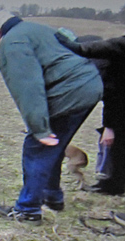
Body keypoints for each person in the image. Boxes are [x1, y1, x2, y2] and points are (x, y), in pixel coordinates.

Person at [0, 11, 104, 225]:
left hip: (70, 92)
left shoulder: (13, 43)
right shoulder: (37, 29)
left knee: (36, 149)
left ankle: (27, 210)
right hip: (88, 86)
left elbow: (28, 87)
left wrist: (39, 128)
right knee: (53, 148)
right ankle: (52, 197)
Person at [55, 32, 125, 195]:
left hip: (119, 106)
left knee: (117, 144)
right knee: (116, 145)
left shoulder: (104, 64)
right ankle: (113, 184)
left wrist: (110, 127)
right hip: (119, 106)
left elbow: (114, 95)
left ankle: (114, 185)